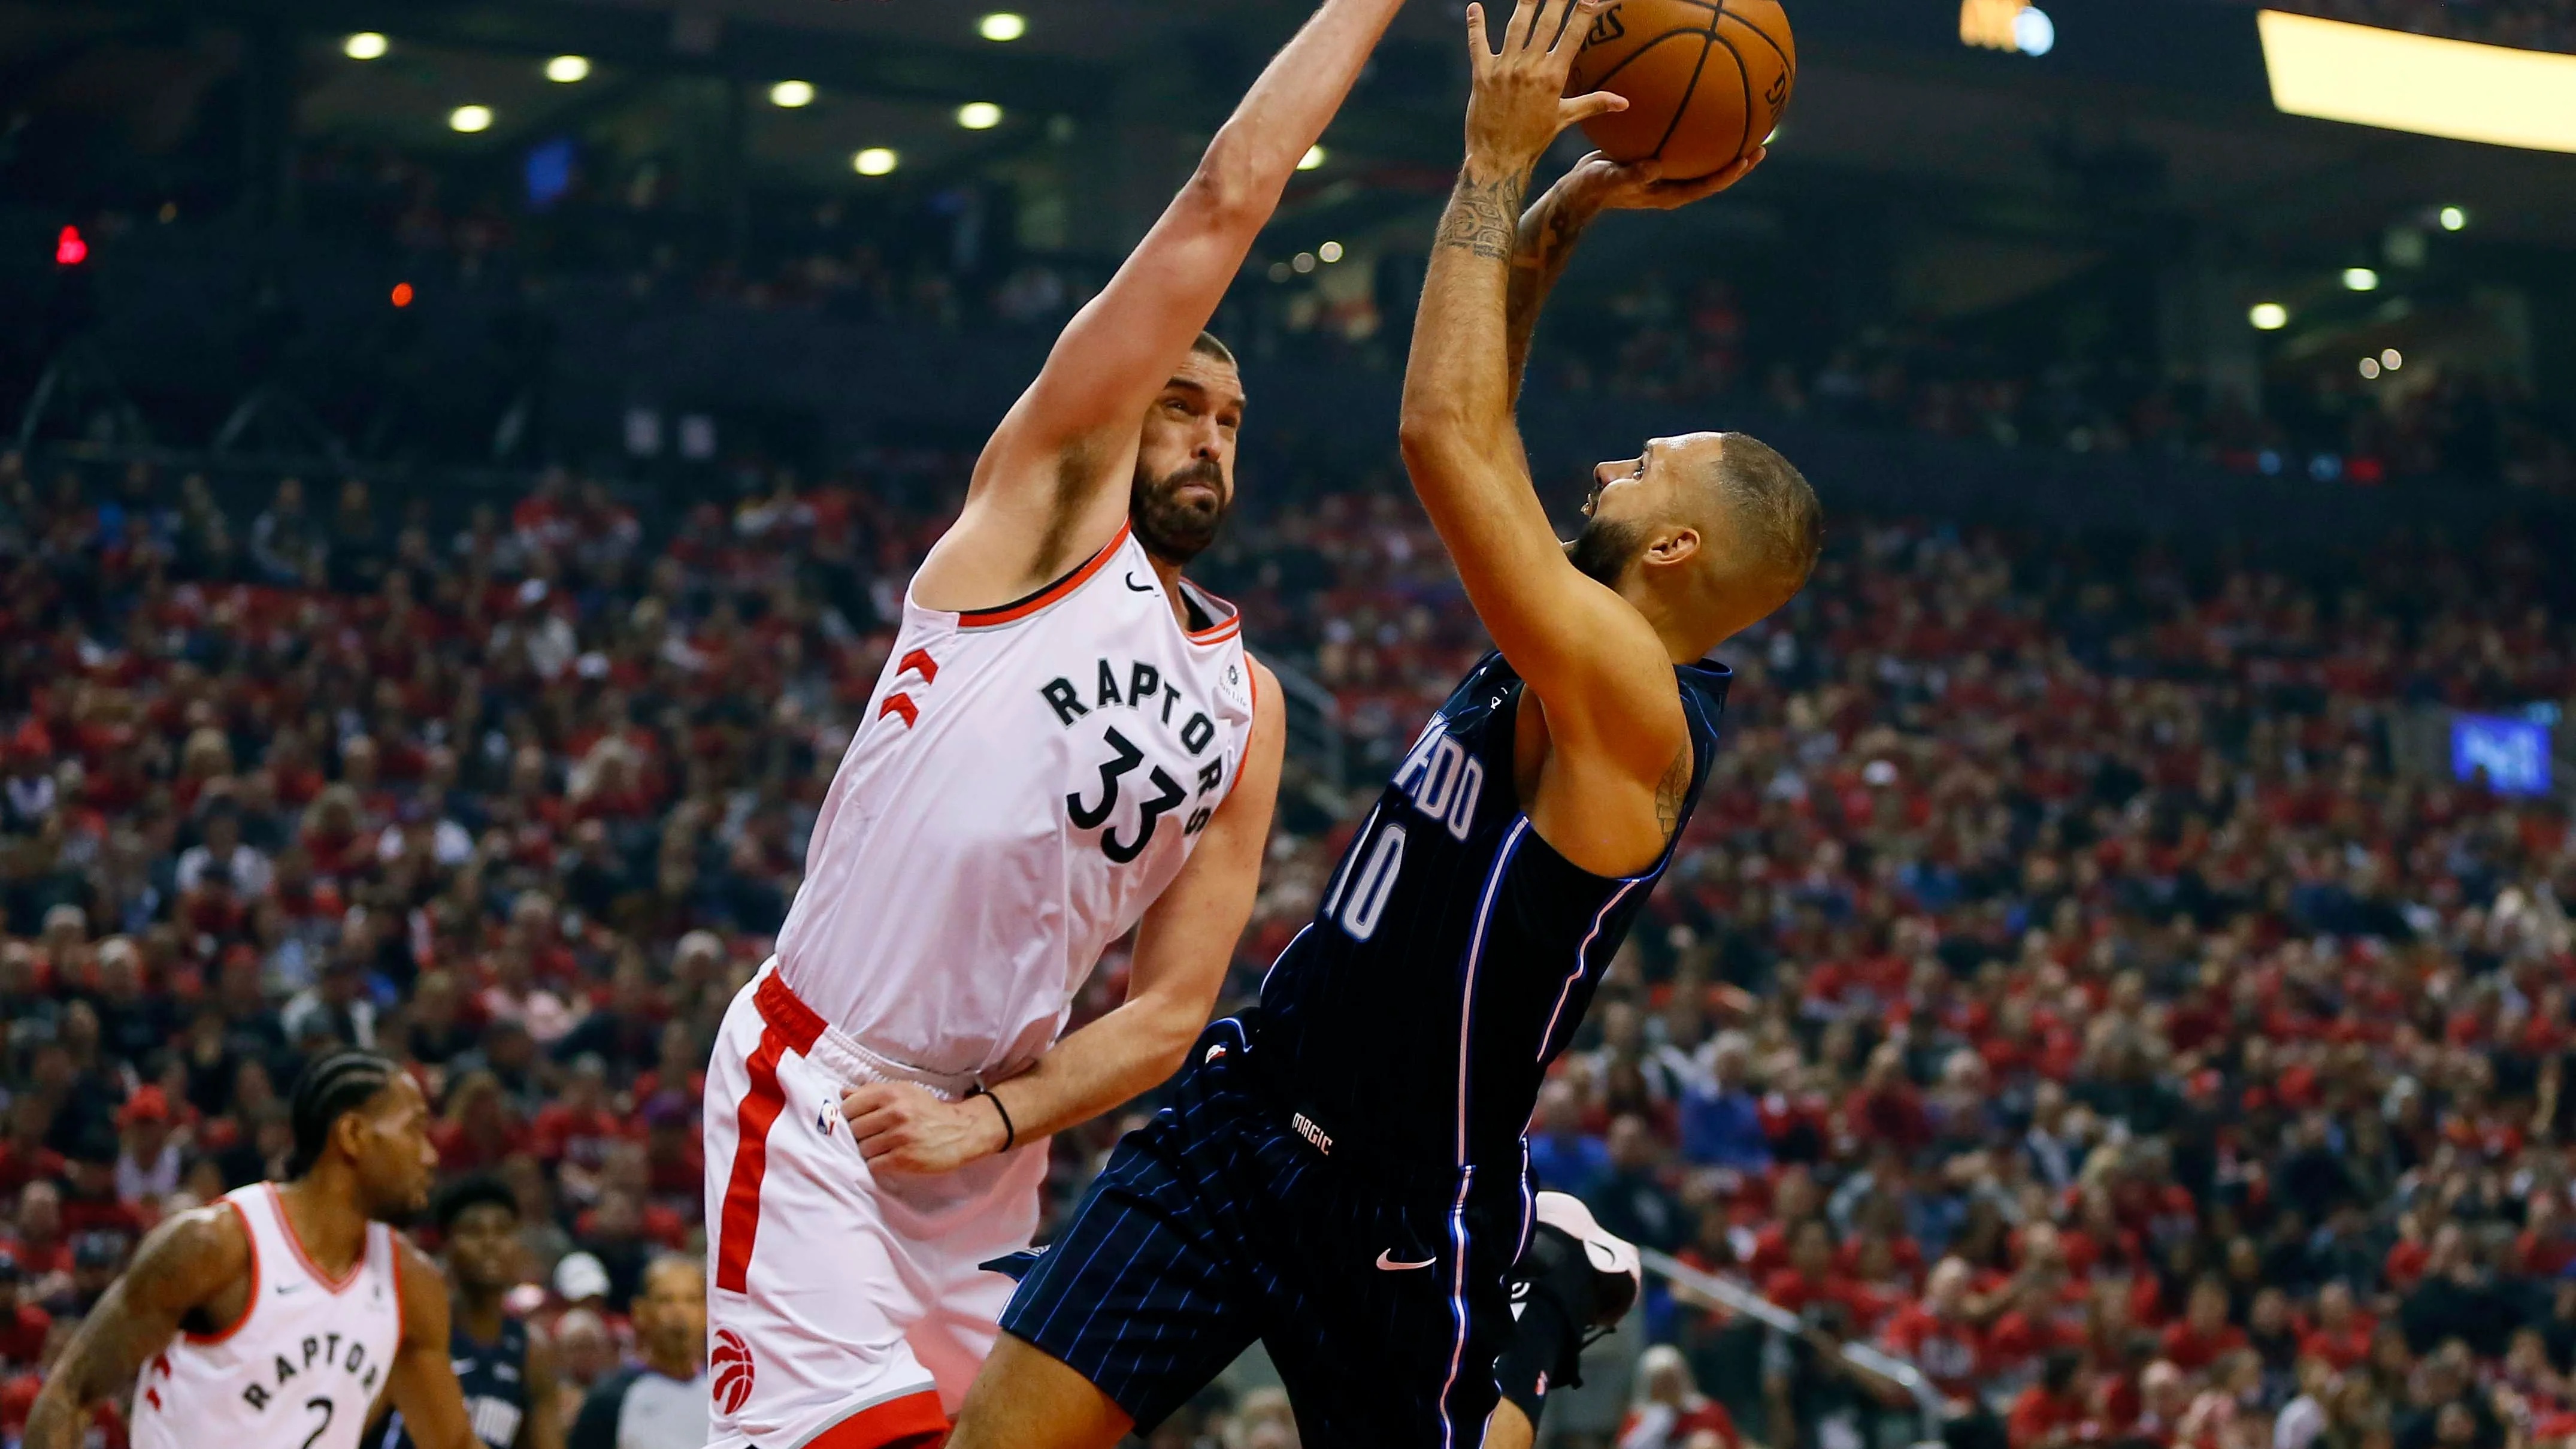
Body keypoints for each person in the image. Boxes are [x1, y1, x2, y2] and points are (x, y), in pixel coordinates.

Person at [948, 1, 1800, 1444]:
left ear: (1675, 555)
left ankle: (1523, 1322)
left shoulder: (1624, 706)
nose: (1608, 460)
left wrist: (1493, 154)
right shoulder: (1568, 634)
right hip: (1245, 1113)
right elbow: (1488, 403)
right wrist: (1565, 207)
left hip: (1407, 1202)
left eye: (1648, 464)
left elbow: (1442, 435)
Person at [695, 0, 1430, 1444]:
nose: (1208, 440)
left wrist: (996, 1122)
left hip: (985, 1149)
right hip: (826, 1091)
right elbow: (1229, 196)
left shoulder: (1248, 699)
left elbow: (1167, 1011)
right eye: (1178, 405)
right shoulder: (1038, 520)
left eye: (1230, 422)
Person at [24, 1051, 476, 1449]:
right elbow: (69, 1395)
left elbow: (453, 1442)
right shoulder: (215, 1246)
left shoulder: (410, 1283)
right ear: (354, 1134)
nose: (430, 1155)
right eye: (415, 1129)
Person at [382, 1175, 563, 1449]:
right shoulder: (412, 1332)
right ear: (446, 1245)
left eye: (503, 1231)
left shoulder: (531, 1352)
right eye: (473, 1231)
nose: (489, 1243)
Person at [568, 1256, 704, 1449]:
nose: (680, 1313)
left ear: (707, 1312)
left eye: (692, 1300)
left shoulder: (727, 1397)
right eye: (666, 1301)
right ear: (640, 1312)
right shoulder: (610, 1400)